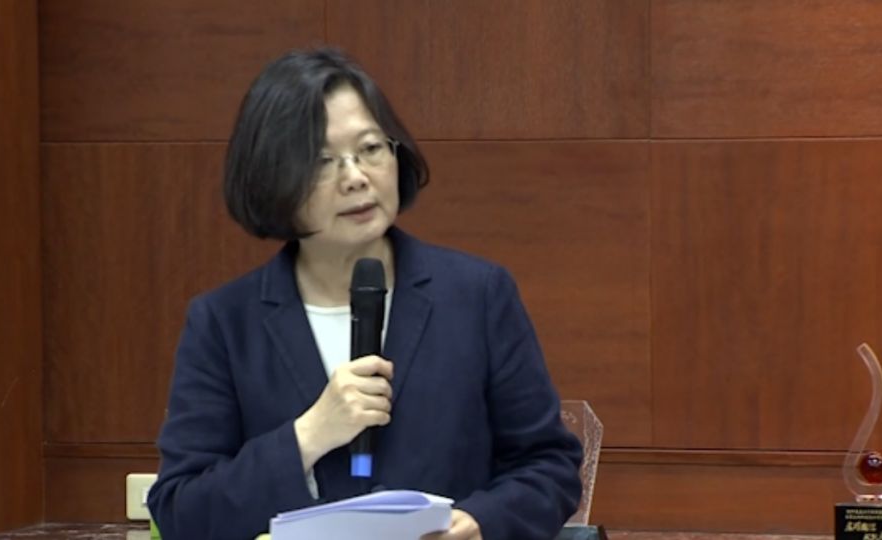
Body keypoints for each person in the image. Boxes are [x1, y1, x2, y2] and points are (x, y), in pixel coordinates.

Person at [147, 47, 583, 540]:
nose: (355, 178)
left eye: (371, 148)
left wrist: (480, 523)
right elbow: (181, 510)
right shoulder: (225, 324)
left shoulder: (477, 296)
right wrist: (309, 435)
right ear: (271, 177)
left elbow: (549, 466)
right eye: (322, 161)